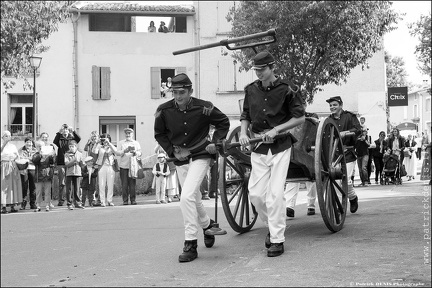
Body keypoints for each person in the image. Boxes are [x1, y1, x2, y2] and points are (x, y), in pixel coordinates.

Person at [154, 72, 230, 262]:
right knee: (193, 197)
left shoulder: (204, 107)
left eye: (182, 92)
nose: (178, 97)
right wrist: (172, 150)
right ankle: (207, 224)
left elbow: (223, 122)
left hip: (202, 154)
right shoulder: (164, 111)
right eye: (175, 93)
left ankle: (190, 243)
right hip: (181, 158)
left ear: (190, 91)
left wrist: (216, 141)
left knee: (186, 196)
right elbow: (159, 134)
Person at [238, 51, 305, 257]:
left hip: (280, 146)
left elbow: (300, 118)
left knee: (275, 195)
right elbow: (246, 115)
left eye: (262, 69)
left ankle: (277, 239)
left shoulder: (287, 89)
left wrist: (277, 130)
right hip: (258, 147)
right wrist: (242, 133)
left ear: (272, 67)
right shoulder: (250, 90)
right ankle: (274, 225)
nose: (258, 73)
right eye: (256, 70)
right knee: (257, 195)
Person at [326, 96, 361, 212]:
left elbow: (358, 130)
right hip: (334, 154)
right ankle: (338, 206)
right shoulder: (328, 120)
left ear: (341, 105)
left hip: (347, 152)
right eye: (331, 105)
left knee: (346, 181)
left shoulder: (350, 116)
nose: (332, 107)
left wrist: (345, 133)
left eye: (334, 105)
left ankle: (352, 197)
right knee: (335, 180)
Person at [284, 106, 319, 217]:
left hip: (307, 150)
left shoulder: (311, 116)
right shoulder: (287, 117)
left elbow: (315, 130)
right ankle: (289, 206)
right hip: (291, 148)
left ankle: (311, 205)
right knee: (292, 177)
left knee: (311, 178)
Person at [53, 124, 81, 206]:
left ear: (68, 131)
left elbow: (78, 139)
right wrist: (59, 131)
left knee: (72, 183)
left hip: (72, 162)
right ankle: (61, 200)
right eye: (64, 130)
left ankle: (73, 200)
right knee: (62, 183)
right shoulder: (60, 139)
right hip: (61, 163)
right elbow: (54, 141)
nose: (65, 131)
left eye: (66, 130)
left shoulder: (72, 138)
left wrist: (73, 131)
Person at [116, 128, 141, 205]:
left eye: (129, 133)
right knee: (124, 184)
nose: (128, 135)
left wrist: (135, 152)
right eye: (126, 133)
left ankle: (133, 200)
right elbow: (117, 153)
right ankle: (125, 200)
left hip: (133, 166)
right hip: (123, 166)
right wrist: (124, 151)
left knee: (132, 184)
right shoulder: (121, 143)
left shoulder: (136, 143)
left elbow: (140, 153)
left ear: (132, 134)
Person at [32, 133, 57, 212]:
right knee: (38, 191)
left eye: (41, 147)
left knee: (47, 191)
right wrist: (40, 154)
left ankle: (47, 205)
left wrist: (51, 155)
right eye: (38, 146)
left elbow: (52, 162)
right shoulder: (36, 154)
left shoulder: (48, 153)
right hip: (38, 175)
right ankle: (38, 205)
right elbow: (35, 161)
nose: (40, 148)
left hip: (47, 173)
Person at [1, 130, 23, 214]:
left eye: (9, 136)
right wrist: (4, 144)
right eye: (6, 135)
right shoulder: (1, 145)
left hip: (13, 166)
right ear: (2, 137)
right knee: (4, 186)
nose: (8, 137)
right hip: (4, 166)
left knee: (13, 186)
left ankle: (13, 205)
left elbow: (17, 156)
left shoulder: (13, 146)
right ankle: (3, 206)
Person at [93, 133, 118, 207]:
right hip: (102, 167)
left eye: (106, 139)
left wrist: (109, 143)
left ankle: (110, 200)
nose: (105, 141)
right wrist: (97, 143)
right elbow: (94, 152)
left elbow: (116, 151)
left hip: (111, 166)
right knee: (101, 184)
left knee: (110, 184)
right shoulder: (100, 147)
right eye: (103, 139)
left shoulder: (111, 146)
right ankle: (102, 201)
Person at [18, 137, 37, 210]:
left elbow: (36, 159)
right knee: (24, 187)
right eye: (27, 142)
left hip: (33, 169)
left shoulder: (35, 150)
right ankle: (23, 204)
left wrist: (27, 159)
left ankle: (33, 203)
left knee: (33, 187)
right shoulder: (21, 150)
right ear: (25, 143)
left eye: (30, 142)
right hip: (24, 169)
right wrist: (30, 159)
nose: (29, 143)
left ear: (32, 143)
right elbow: (20, 158)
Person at [64, 140, 84, 210]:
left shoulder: (80, 153)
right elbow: (67, 164)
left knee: (77, 189)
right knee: (69, 189)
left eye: (73, 146)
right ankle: (69, 203)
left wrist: (82, 163)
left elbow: (82, 164)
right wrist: (74, 160)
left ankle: (78, 202)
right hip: (69, 173)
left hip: (77, 173)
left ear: (76, 146)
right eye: (70, 146)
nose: (71, 148)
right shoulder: (66, 154)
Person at [84, 131, 101, 206]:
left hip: (97, 165)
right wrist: (88, 143)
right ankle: (92, 199)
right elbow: (85, 149)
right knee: (92, 183)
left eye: (95, 136)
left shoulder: (99, 145)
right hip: (90, 165)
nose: (94, 138)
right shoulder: (90, 144)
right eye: (93, 136)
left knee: (98, 183)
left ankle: (99, 199)